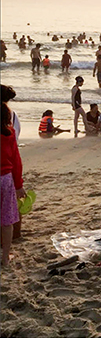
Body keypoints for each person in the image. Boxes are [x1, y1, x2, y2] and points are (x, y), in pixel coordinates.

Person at [1, 102, 26, 266]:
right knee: (7, 219)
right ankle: (5, 258)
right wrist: (19, 185)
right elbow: (16, 161)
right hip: (5, 178)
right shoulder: (10, 133)